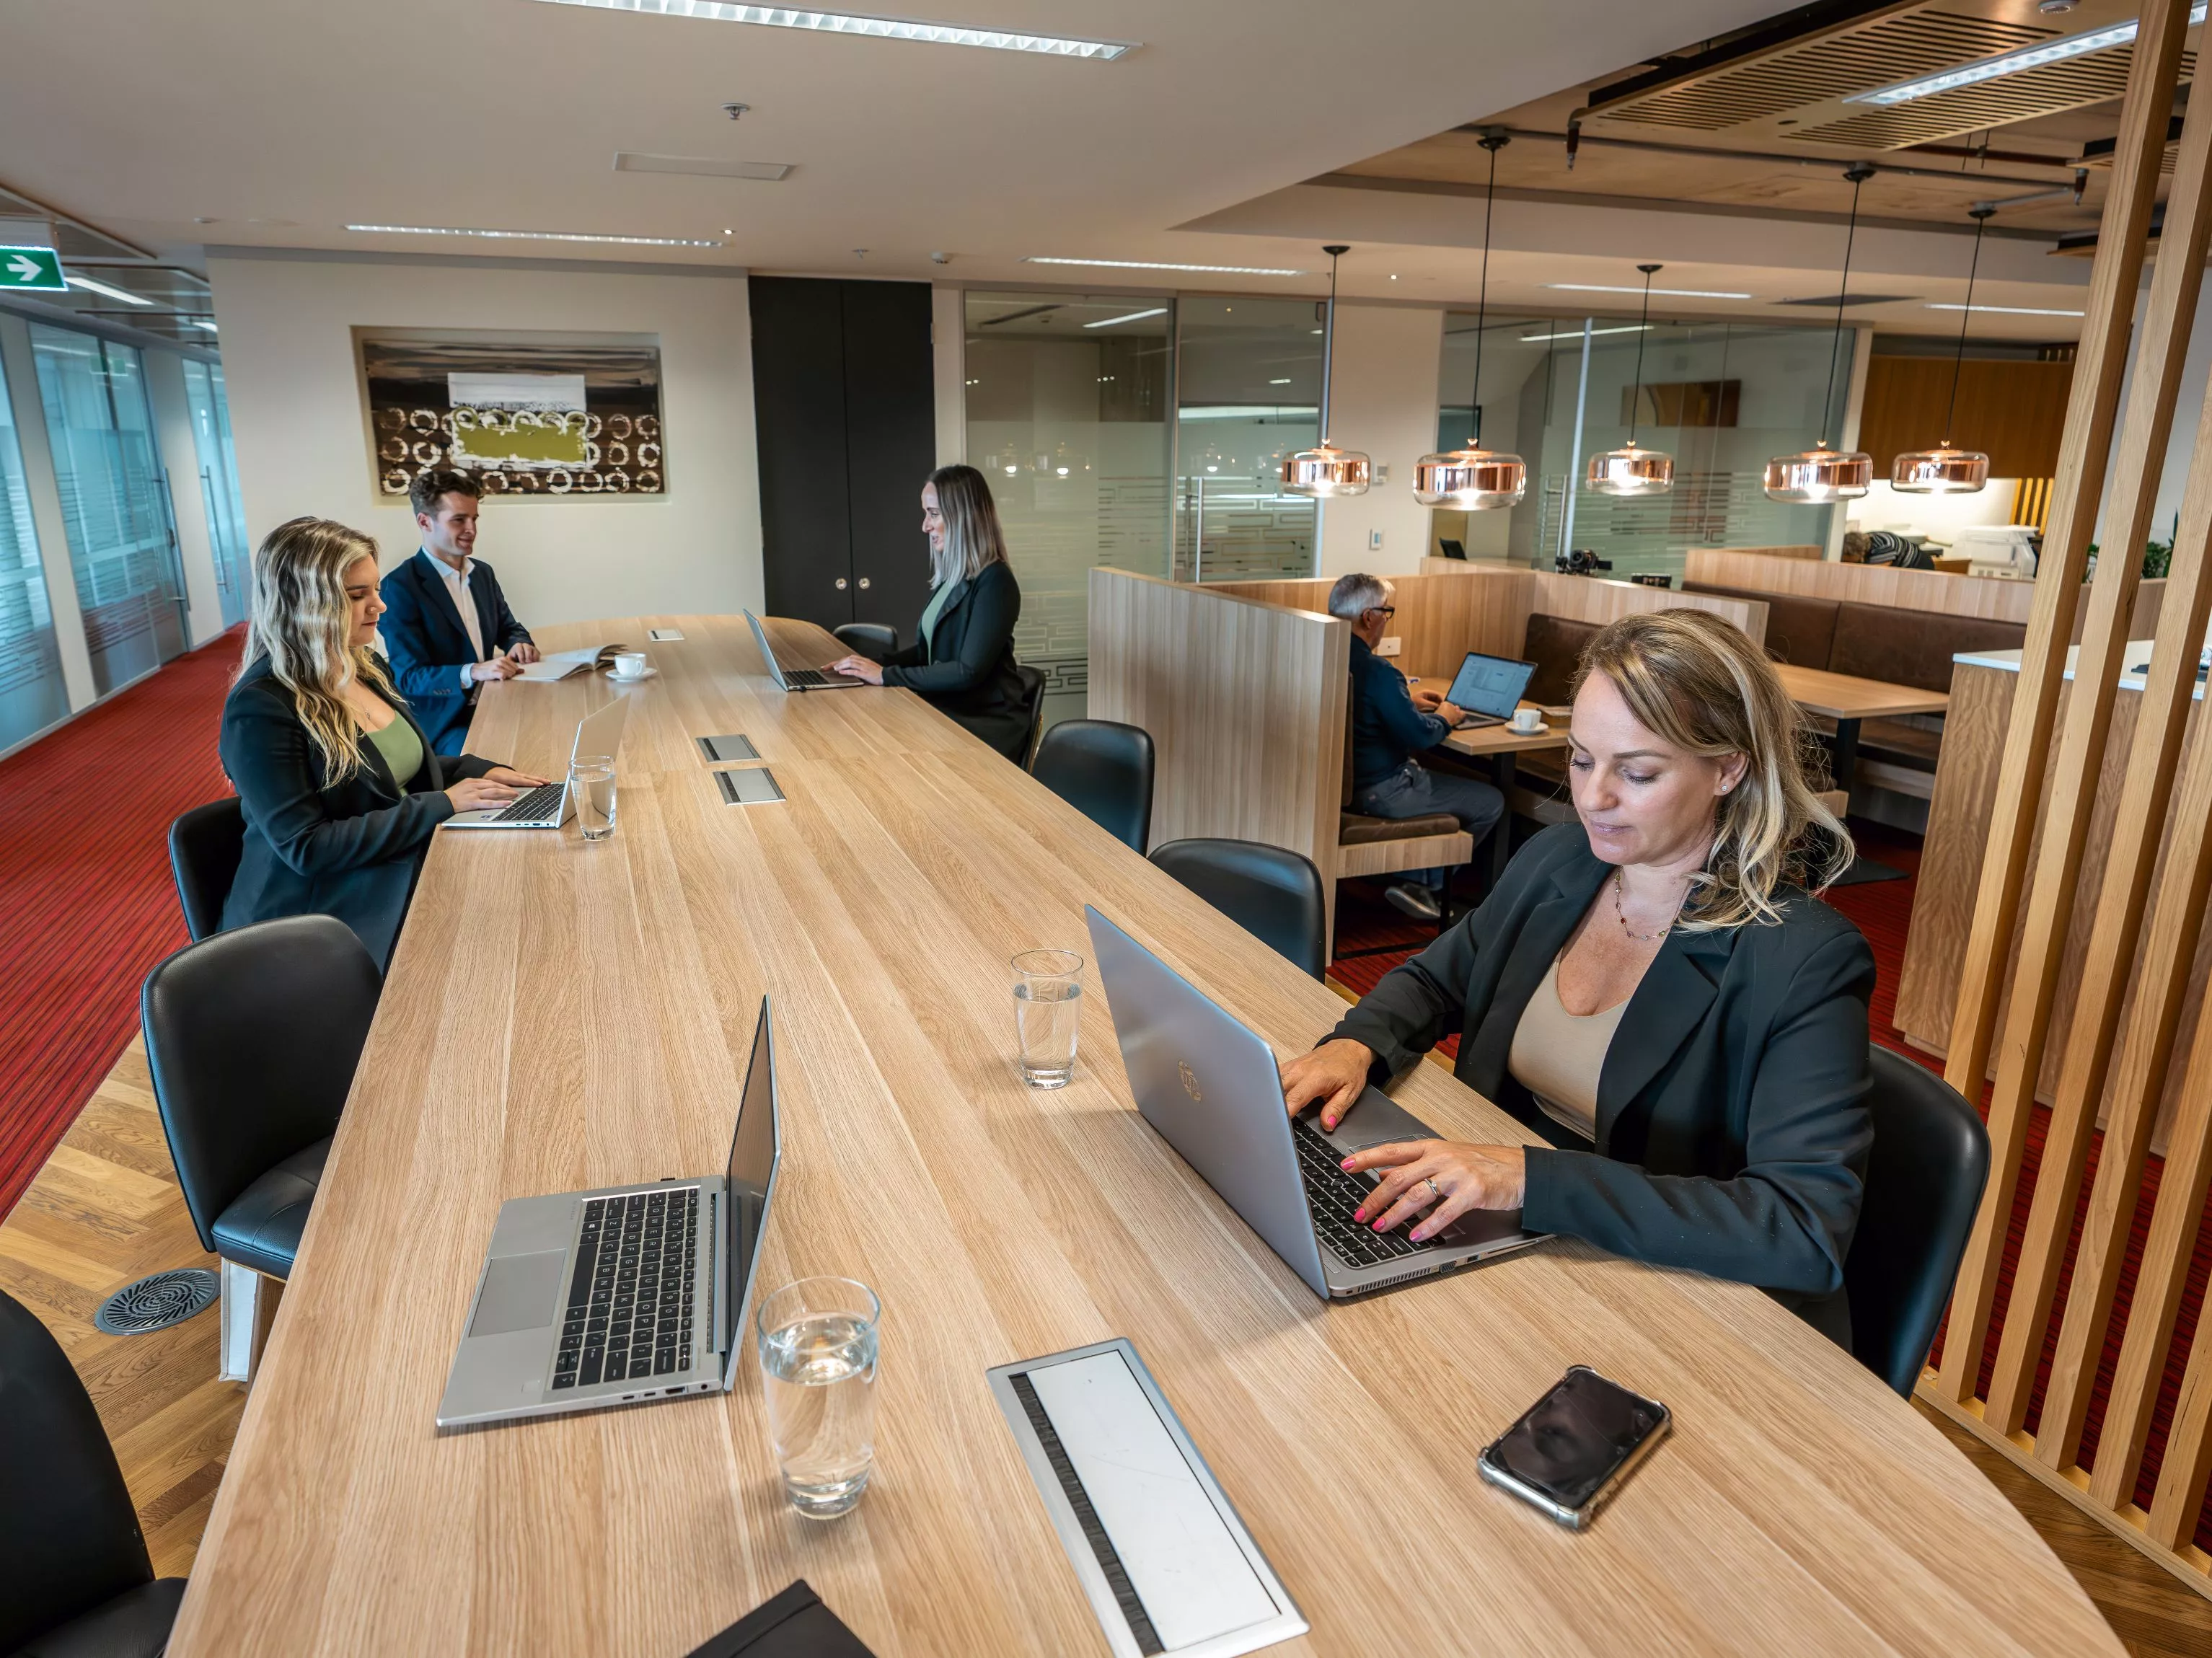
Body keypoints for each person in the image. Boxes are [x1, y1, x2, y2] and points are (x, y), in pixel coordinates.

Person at [1282, 609, 1873, 1344]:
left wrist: (1529, 1178)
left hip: (1668, 1298)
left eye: (1638, 771)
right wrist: (1355, 1044)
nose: (1593, 798)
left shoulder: (1802, 957)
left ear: (1729, 767)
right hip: (1520, 1247)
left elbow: (1800, 1228)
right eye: (1582, 759)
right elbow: (1437, 983)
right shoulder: (1558, 861)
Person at [221, 517, 547, 969]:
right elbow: (307, 848)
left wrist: (476, 769)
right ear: (306, 604)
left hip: (387, 874)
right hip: (316, 924)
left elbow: (394, 772)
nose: (380, 606)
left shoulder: (364, 666)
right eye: (358, 596)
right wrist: (444, 804)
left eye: (374, 589)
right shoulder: (262, 708)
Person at [824, 464, 1029, 761]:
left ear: (963, 518)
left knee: (880, 744)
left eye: (933, 514)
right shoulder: (953, 579)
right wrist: (868, 667)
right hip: (949, 708)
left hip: (984, 723)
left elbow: (967, 671)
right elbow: (926, 652)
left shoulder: (996, 582)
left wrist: (885, 675)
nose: (925, 526)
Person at [1334, 572, 1504, 922]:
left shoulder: (1328, 656)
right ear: (1370, 617)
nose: (1386, 621)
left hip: (1343, 789)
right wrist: (1445, 717)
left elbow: (1360, 705)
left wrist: (1404, 699)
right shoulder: (1378, 670)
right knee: (1492, 801)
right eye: (1387, 612)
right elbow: (1421, 736)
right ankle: (1422, 885)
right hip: (1383, 791)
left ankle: (1410, 881)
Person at [377, 469, 540, 755]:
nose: (471, 529)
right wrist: (474, 671)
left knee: (548, 735)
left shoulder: (482, 574)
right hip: (446, 722)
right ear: (424, 521)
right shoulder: (400, 586)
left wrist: (519, 643)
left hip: (494, 700)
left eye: (474, 518)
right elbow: (410, 676)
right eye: (458, 520)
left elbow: (508, 627)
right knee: (503, 757)